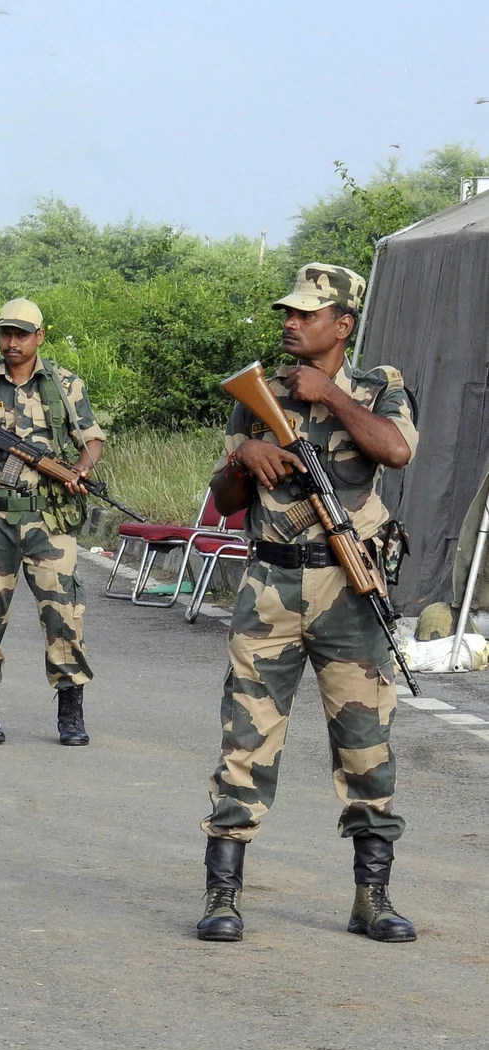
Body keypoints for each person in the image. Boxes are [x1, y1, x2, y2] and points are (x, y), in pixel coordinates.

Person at [195, 263, 418, 944]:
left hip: (352, 590)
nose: (291, 322)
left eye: (307, 314)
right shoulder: (255, 393)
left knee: (366, 747)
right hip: (271, 588)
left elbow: (397, 449)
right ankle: (223, 895)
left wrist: (331, 396)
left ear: (343, 325)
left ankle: (371, 897)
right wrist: (246, 460)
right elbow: (226, 499)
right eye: (287, 312)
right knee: (246, 744)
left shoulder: (381, 387)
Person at [0, 298, 104, 746]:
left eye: (21, 334)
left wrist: (80, 469)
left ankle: (70, 712)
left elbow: (92, 439)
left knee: (65, 616)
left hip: (48, 518)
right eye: (5, 334)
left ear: (40, 337)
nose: (11, 343)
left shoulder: (65, 385)